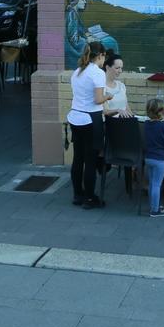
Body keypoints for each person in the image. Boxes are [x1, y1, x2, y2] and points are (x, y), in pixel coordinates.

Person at [67, 40, 110, 209]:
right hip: (91, 119)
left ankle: (78, 195)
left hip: (75, 117)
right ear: (100, 55)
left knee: (78, 158)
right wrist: (109, 97)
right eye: (103, 57)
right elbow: (98, 99)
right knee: (90, 160)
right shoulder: (97, 73)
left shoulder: (77, 71)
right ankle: (90, 198)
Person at [143, 98, 164, 218]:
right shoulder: (163, 126)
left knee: (152, 183)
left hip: (148, 158)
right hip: (159, 159)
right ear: (161, 112)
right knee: (157, 184)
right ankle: (155, 211)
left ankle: (153, 205)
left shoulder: (146, 124)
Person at [102, 53, 132, 118]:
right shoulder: (101, 87)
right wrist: (118, 110)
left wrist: (133, 118)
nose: (120, 71)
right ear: (107, 67)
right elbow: (105, 112)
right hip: (112, 124)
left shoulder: (121, 86)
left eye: (121, 68)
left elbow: (127, 107)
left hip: (125, 123)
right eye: (117, 68)